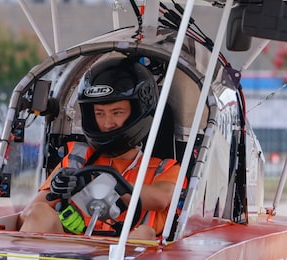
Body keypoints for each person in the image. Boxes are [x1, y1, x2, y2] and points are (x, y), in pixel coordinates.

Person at [18, 56, 180, 240]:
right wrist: (58, 190)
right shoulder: (76, 158)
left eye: (117, 112)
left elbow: (160, 199)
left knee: (145, 233)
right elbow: (26, 215)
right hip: (71, 253)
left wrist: (93, 181)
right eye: (99, 114)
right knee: (40, 210)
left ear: (137, 113)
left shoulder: (165, 168)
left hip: (129, 256)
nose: (107, 123)